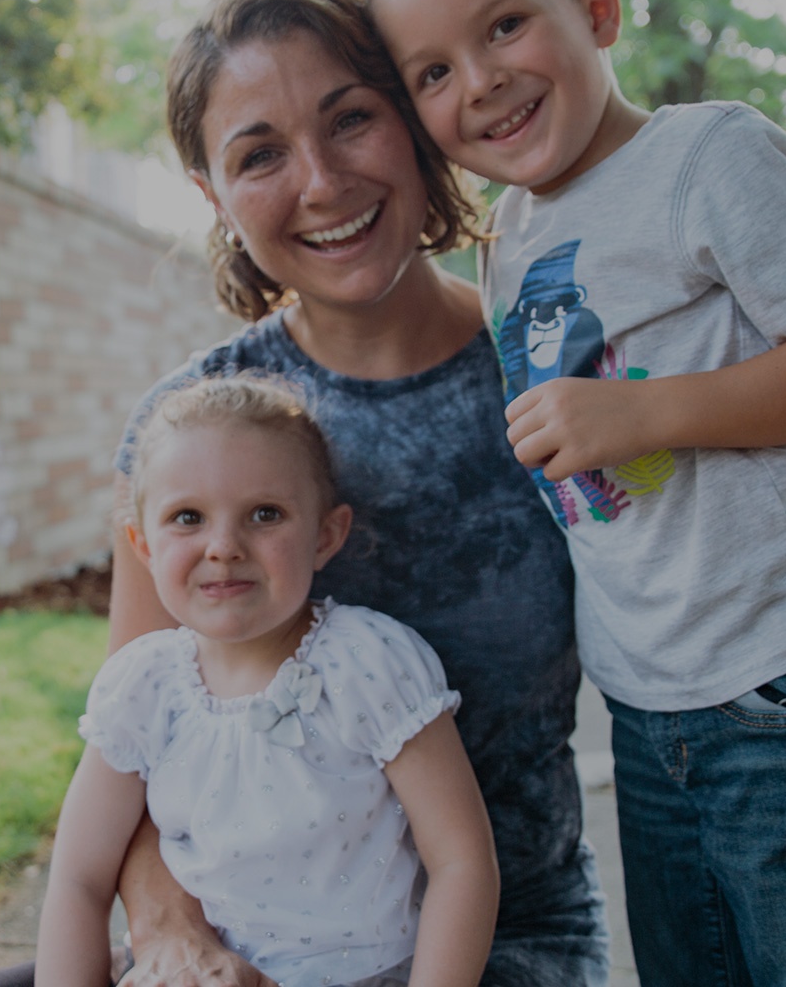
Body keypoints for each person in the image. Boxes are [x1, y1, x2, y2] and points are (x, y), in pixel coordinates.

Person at [0, 0, 786, 987]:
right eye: (260, 155)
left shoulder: (572, 378)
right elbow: (136, 737)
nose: (322, 181)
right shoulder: (196, 435)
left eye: (352, 119)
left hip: (508, 937)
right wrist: (171, 933)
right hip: (246, 946)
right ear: (212, 194)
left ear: (415, 120)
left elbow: (721, 587)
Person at [354, 0, 786, 984]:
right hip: (646, 701)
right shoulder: (510, 231)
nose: (481, 82)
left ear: (596, 9)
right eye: (434, 71)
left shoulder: (706, 155)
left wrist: (645, 414)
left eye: (503, 27)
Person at [35, 374, 499, 987]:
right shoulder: (143, 686)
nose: (223, 546)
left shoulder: (368, 662)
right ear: (142, 545)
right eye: (188, 517)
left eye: (264, 514)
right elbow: (78, 879)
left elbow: (463, 861)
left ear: (325, 536)